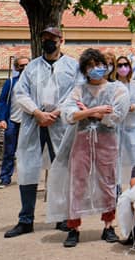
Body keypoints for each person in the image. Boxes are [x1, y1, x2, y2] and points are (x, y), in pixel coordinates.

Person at [46, 48, 130, 247]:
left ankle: (108, 225)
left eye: (98, 64)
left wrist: (87, 112)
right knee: (77, 182)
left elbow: (116, 115)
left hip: (107, 141)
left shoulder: (117, 89)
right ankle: (73, 227)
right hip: (82, 141)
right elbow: (69, 114)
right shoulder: (78, 89)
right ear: (84, 70)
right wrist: (96, 110)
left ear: (106, 66)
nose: (95, 69)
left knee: (108, 181)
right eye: (90, 66)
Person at [4, 26, 81, 238]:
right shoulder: (32, 67)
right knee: (27, 168)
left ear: (61, 40)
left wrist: (56, 112)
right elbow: (20, 93)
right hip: (34, 123)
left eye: (52, 38)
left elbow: (76, 92)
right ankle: (25, 219)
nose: (48, 41)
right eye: (45, 37)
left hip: (60, 124)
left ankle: (62, 217)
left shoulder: (72, 66)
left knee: (62, 169)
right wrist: (37, 112)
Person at [0, 55, 29, 188]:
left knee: (27, 153)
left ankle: (27, 179)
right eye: (21, 65)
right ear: (16, 68)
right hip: (12, 121)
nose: (24, 68)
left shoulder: (35, 83)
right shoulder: (10, 82)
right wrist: (2, 119)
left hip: (28, 123)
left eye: (27, 65)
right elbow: (2, 101)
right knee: (9, 151)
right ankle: (5, 178)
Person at [114, 54, 135, 188]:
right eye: (120, 65)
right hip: (117, 129)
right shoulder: (113, 86)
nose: (123, 68)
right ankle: (117, 188)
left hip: (134, 129)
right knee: (117, 160)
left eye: (125, 65)